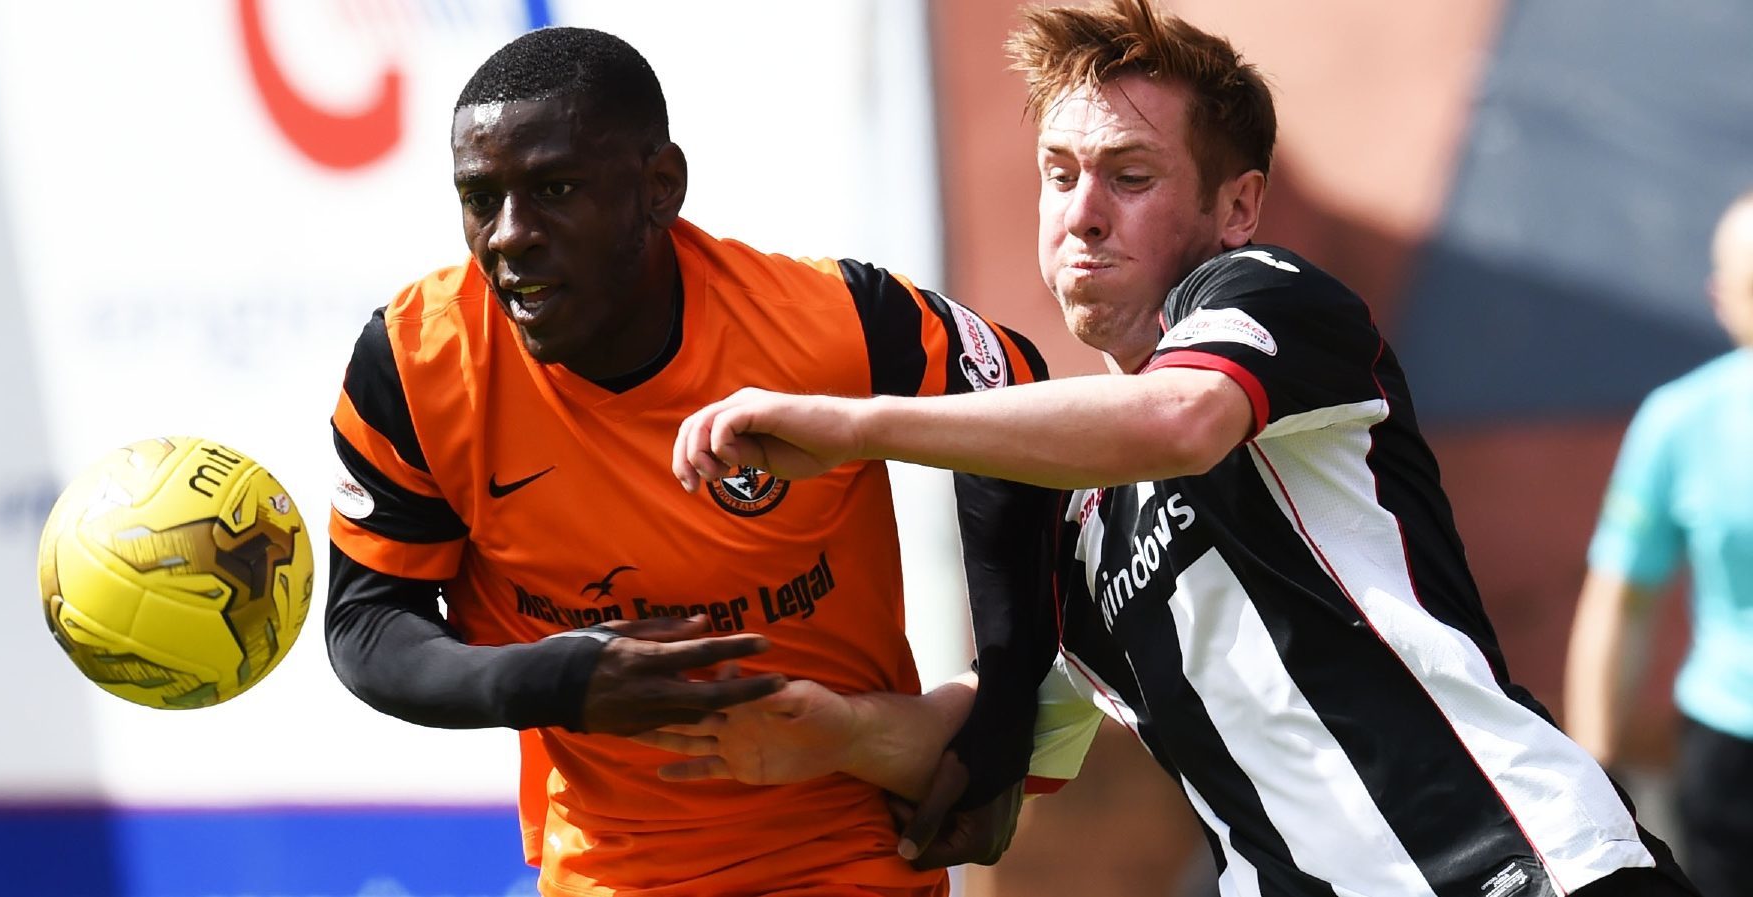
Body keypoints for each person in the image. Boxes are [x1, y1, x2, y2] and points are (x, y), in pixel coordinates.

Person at [659, 1, 1703, 894]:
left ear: (1236, 205)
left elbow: (1180, 422)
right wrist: (826, 737)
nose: (1083, 214)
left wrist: (856, 424)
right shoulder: (1073, 517)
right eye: (1058, 173)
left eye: (1130, 176)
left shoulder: (1267, 298)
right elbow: (1015, 735)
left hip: (1518, 871)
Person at [322, 25, 1053, 897]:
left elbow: (1014, 393)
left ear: (660, 185)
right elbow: (368, 627)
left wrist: (1002, 714)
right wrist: (556, 677)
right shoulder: (415, 365)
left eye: (554, 189)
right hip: (611, 869)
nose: (509, 236)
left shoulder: (824, 321)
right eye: (481, 198)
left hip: (852, 850)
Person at [1564, 189, 1753, 897]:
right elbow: (1619, 599)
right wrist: (1595, 767)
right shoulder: (1680, 422)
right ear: (1721, 298)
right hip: (1733, 756)